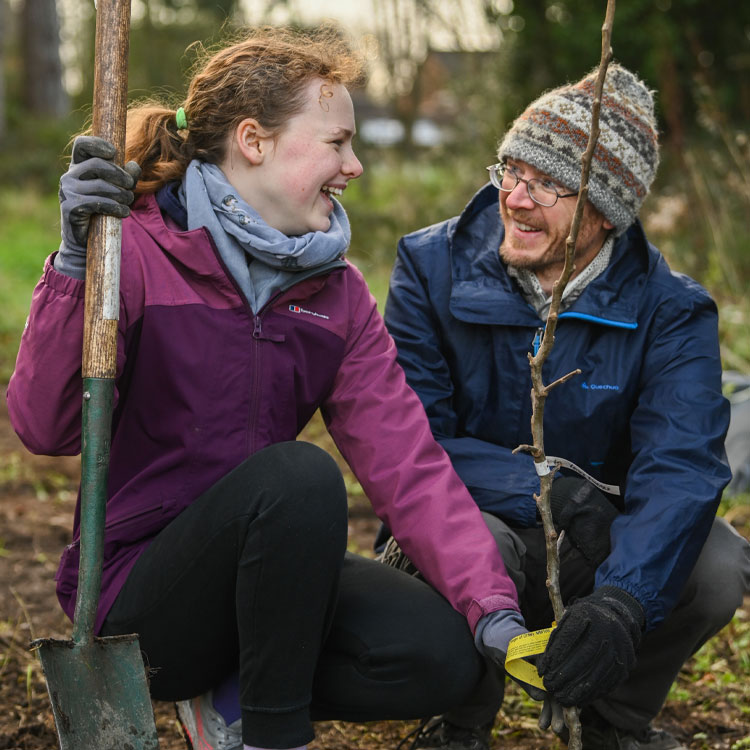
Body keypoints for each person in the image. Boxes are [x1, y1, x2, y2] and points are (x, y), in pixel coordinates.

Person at [5, 25, 553, 750]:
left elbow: (408, 465)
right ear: (254, 141)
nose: (354, 165)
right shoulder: (134, 250)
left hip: (271, 576)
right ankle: (270, 733)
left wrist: (492, 607)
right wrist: (77, 263)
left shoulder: (337, 294)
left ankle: (229, 696)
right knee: (298, 476)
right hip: (141, 594)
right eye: (336, 142)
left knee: (442, 658)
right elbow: (45, 428)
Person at [381, 63, 750, 750]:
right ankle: (459, 716)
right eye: (511, 172)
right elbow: (410, 442)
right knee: (473, 539)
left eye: (548, 184)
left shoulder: (672, 309)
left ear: (606, 209)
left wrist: (622, 601)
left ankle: (612, 719)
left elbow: (682, 466)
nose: (516, 199)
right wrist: (550, 488)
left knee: (717, 566)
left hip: (600, 541)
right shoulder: (430, 268)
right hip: (470, 517)